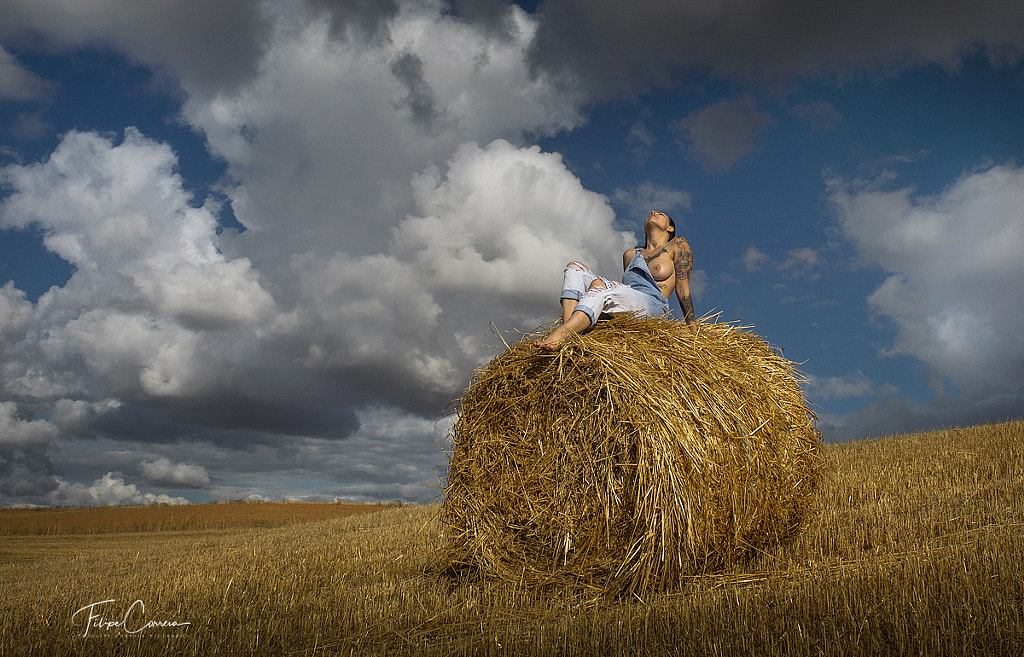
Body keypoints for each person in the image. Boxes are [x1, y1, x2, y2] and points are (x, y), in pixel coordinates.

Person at [534, 211, 696, 351]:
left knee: (600, 287)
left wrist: (693, 330)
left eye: (661, 214)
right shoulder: (630, 254)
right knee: (574, 268)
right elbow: (627, 289)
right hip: (632, 298)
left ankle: (562, 334)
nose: (653, 212)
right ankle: (571, 330)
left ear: (670, 228)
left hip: (654, 304)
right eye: (652, 212)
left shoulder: (677, 244)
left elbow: (682, 289)